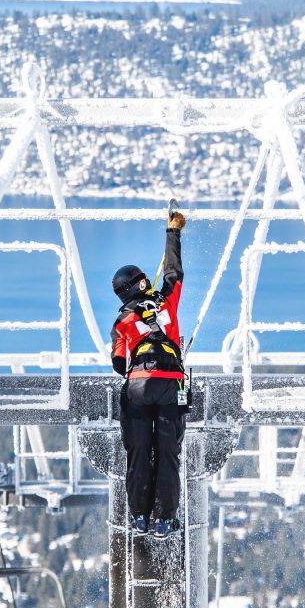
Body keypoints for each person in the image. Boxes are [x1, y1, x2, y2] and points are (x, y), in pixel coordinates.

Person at [110, 207, 187, 539]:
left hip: (139, 387)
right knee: (168, 452)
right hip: (172, 385)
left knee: (139, 452)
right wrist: (173, 232)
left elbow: (117, 363)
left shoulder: (122, 321)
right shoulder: (166, 301)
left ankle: (140, 516)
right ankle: (165, 519)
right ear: (142, 282)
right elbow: (174, 271)